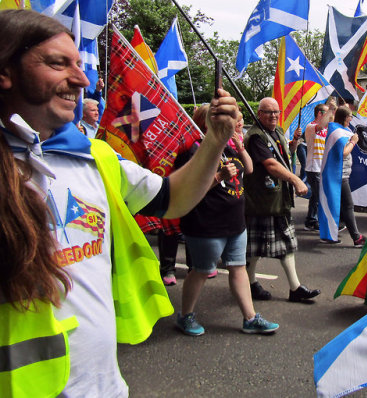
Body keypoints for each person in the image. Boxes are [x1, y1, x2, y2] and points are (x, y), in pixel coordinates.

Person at [0, 9, 240, 396]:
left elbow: (172, 198)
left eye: (79, 65)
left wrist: (214, 141)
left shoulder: (95, 156)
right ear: (5, 72)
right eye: (58, 64)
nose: (81, 80)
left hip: (103, 386)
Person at [175, 104, 278, 336]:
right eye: (228, 119)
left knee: (238, 267)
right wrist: (219, 176)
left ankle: (250, 318)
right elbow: (189, 189)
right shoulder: (193, 150)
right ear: (209, 123)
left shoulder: (229, 147)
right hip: (206, 223)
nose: (234, 123)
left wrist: (241, 148)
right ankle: (186, 315)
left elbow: (249, 169)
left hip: (235, 221)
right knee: (201, 270)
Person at [244, 97, 321, 302]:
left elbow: (284, 156)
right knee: (256, 247)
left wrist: (294, 144)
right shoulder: (255, 137)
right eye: (268, 112)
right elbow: (270, 164)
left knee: (282, 244)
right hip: (263, 201)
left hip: (277, 200)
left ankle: (293, 288)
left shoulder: (276, 132)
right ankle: (251, 284)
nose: (274, 115)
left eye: (276, 112)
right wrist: (296, 179)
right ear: (259, 113)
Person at [321, 106, 366, 247]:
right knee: (348, 206)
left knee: (335, 205)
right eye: (350, 116)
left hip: (338, 173)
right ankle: (356, 238)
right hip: (339, 174)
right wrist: (353, 141)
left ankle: (331, 235)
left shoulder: (338, 130)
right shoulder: (339, 132)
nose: (351, 118)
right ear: (345, 117)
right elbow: (344, 153)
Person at [304, 100, 336, 231]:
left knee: (316, 196)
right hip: (313, 167)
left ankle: (311, 220)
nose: (328, 115)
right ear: (319, 113)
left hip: (323, 167)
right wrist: (331, 109)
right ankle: (313, 220)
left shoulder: (327, 128)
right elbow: (320, 126)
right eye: (325, 112)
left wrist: (335, 110)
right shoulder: (311, 127)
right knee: (320, 195)